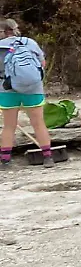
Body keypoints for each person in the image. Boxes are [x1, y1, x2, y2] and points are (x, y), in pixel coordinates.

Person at [0, 18, 55, 168]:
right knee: (38, 123)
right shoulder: (29, 42)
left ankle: (5, 160)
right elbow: (42, 63)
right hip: (33, 87)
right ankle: (48, 157)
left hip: (7, 89)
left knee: (9, 126)